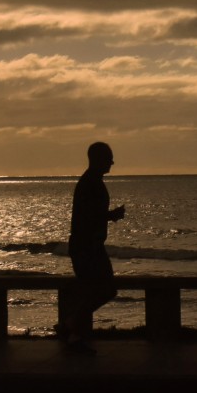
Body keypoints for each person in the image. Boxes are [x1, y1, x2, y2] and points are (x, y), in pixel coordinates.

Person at [64, 141, 125, 353]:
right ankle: (73, 327)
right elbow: (88, 217)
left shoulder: (91, 182)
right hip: (87, 247)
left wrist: (109, 216)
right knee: (103, 289)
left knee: (98, 290)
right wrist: (109, 216)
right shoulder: (91, 183)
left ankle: (74, 331)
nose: (112, 162)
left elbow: (90, 215)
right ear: (98, 160)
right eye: (109, 158)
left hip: (88, 246)